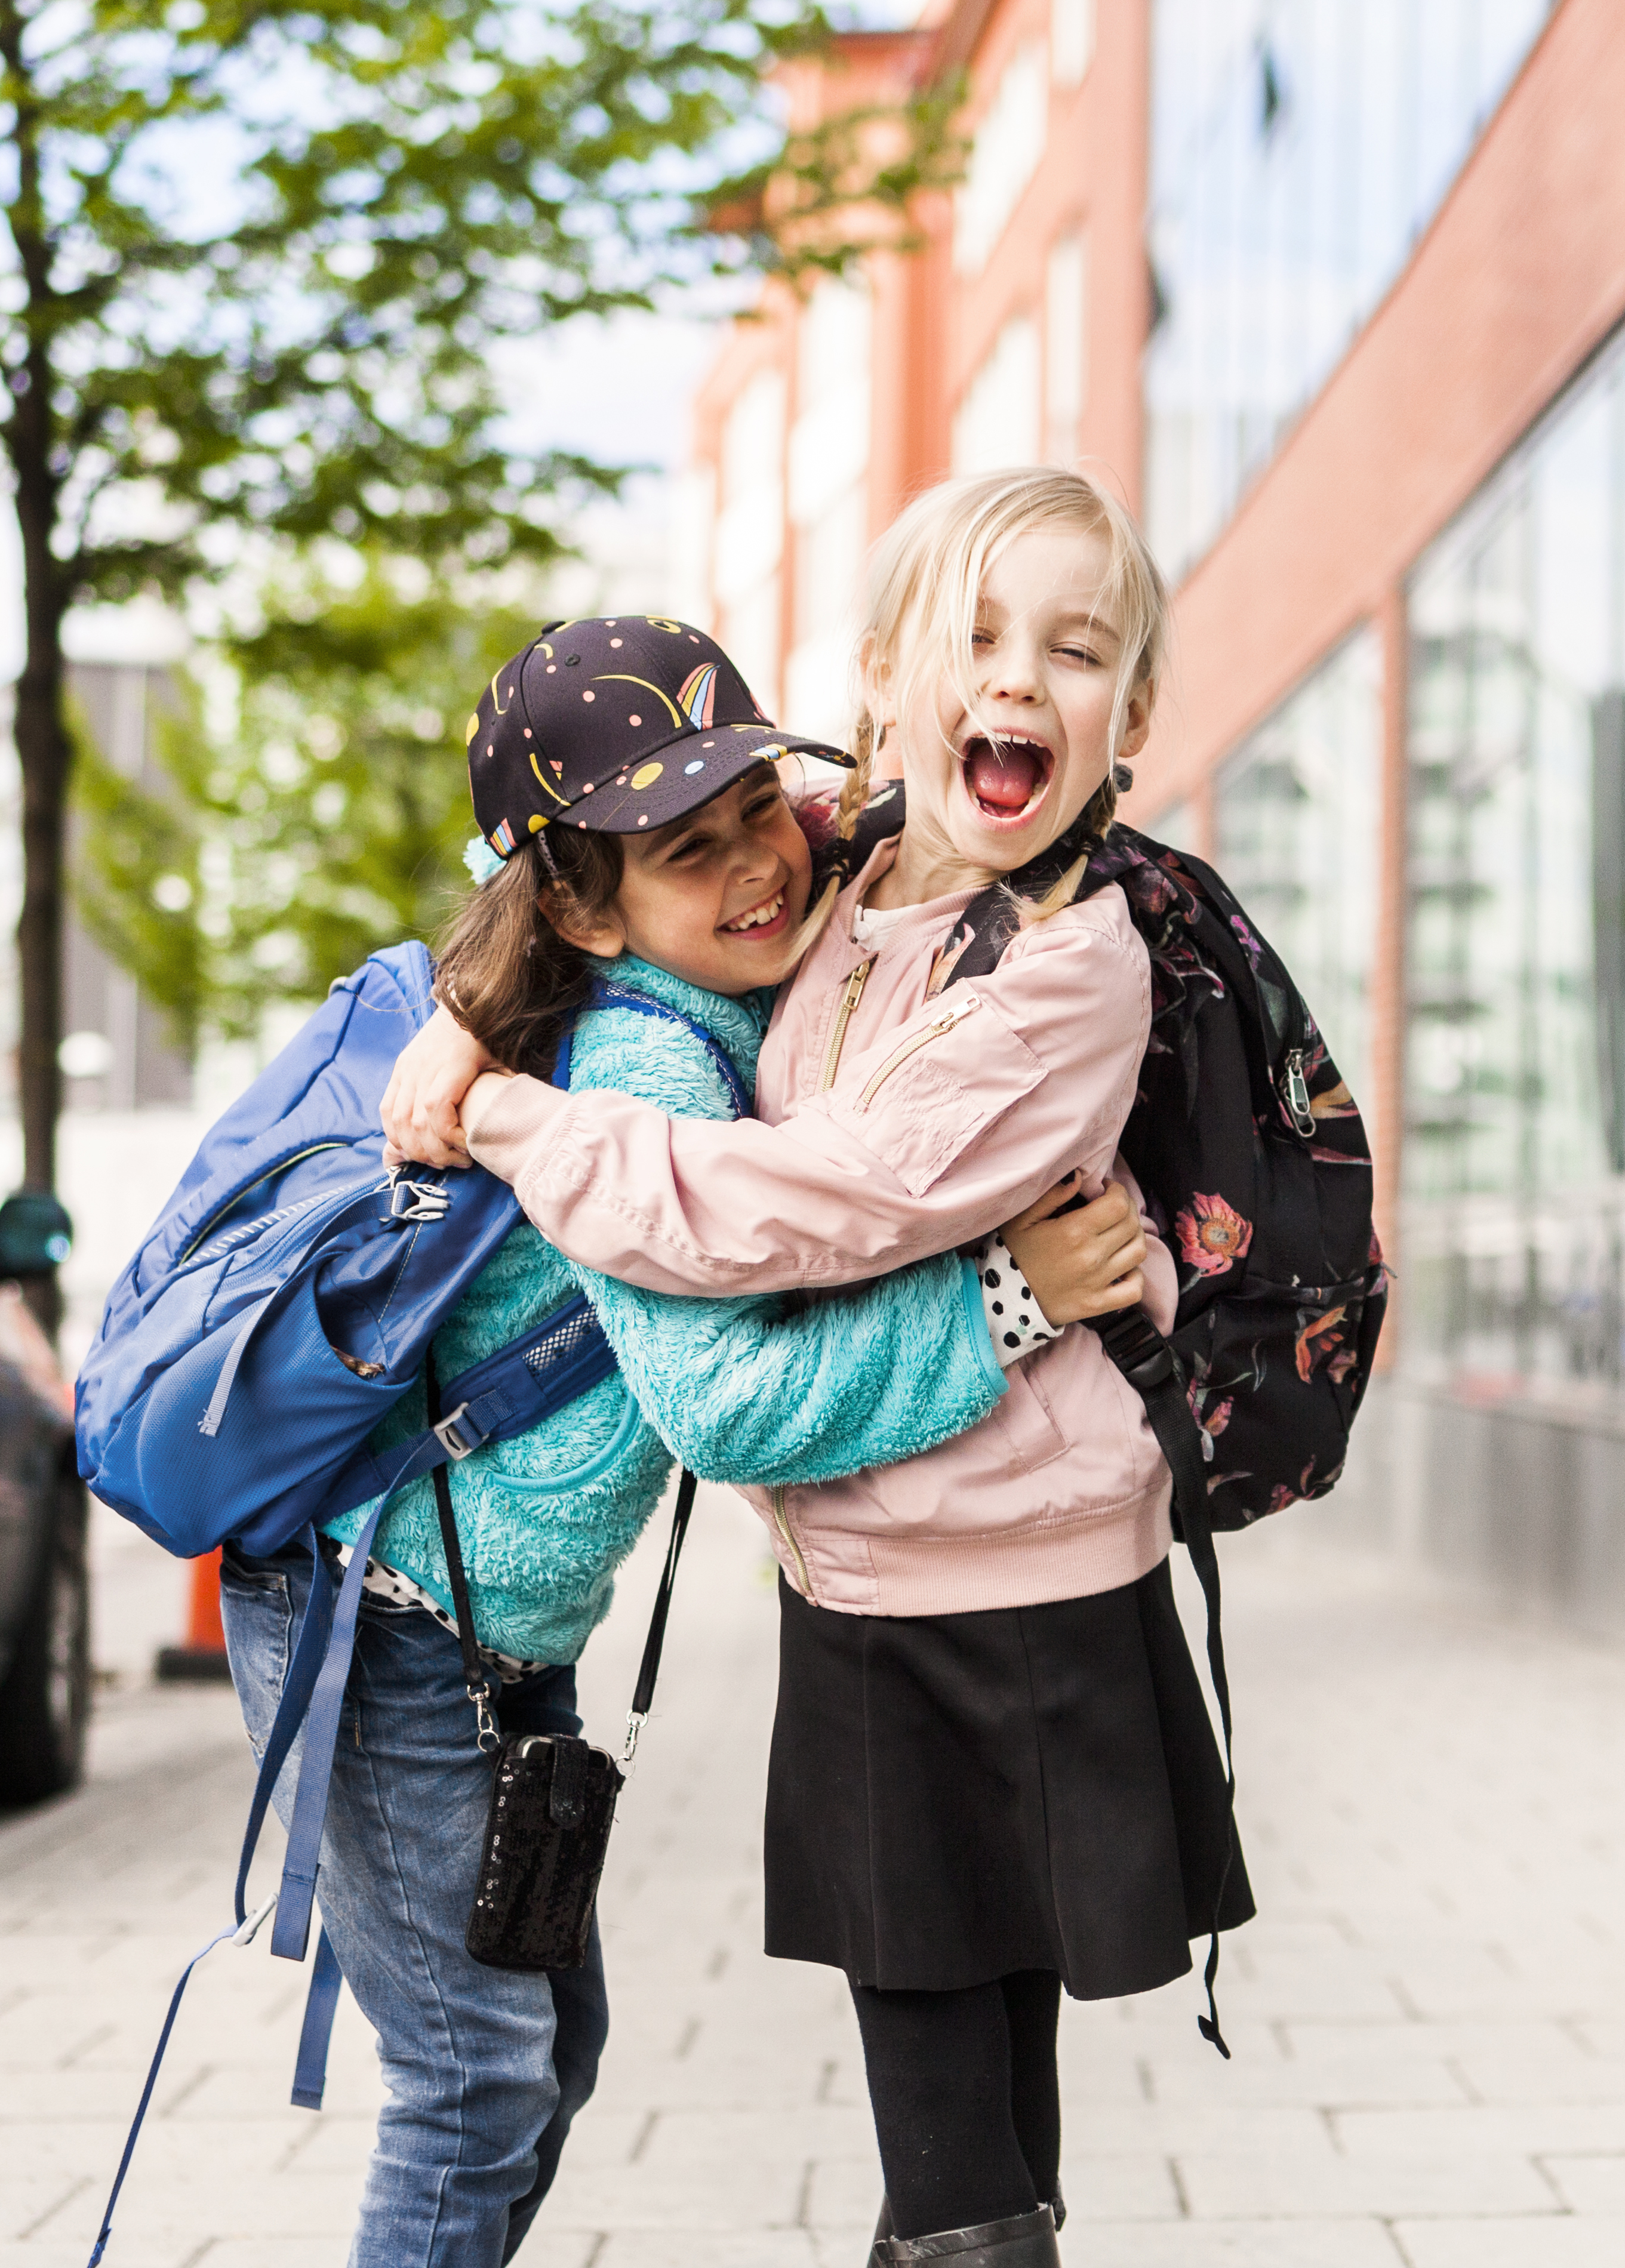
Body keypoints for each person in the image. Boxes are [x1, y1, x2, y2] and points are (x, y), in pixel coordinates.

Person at [385, 470, 1248, 2268]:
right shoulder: (862, 855)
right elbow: (600, 900)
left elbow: (812, 1202)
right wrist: (475, 1009)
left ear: (1133, 720)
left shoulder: (1069, 965)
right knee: (966, 2088)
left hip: (1010, 1576)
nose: (1015, 681)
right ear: (879, 690)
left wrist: (512, 1115)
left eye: (1075, 654)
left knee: (952, 2102)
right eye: (973, 643)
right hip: (869, 1570)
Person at [222, 614, 1155, 2268]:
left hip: (486, 1643)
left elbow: (887, 830)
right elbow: (727, 1409)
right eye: (684, 850)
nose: (754, 871)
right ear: (581, 903)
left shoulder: (716, 975)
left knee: (533, 2064)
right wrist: (1004, 1300)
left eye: (755, 814)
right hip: (378, 1620)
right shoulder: (644, 1057)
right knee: (474, 2082)